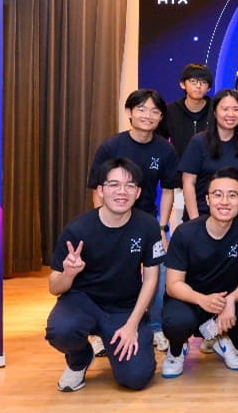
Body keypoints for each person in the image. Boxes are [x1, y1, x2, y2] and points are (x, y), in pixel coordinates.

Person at [45, 159, 165, 392]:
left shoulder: (148, 226)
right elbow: (54, 287)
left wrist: (132, 325)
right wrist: (69, 274)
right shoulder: (78, 229)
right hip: (83, 302)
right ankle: (80, 358)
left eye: (130, 185)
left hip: (124, 308)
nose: (122, 191)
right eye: (113, 185)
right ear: (100, 190)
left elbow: (151, 279)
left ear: (138, 192)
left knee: (136, 378)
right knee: (61, 330)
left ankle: (127, 340)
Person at [159, 168, 238, 376]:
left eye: (232, 195)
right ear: (207, 199)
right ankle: (177, 350)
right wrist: (202, 300)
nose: (225, 201)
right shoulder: (185, 233)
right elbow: (173, 284)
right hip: (190, 300)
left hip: (226, 302)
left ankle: (220, 337)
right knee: (176, 322)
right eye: (218, 194)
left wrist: (231, 300)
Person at [86, 88, 179, 231]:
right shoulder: (110, 147)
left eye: (155, 111)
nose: (148, 116)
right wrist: (103, 224)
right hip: (114, 219)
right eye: (141, 109)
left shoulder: (166, 149)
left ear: (161, 117)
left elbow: (167, 191)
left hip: (147, 219)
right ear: (129, 112)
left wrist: (162, 227)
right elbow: (97, 189)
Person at [179, 89, 238, 221]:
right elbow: (188, 183)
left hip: (237, 216)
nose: (231, 114)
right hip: (202, 215)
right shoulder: (199, 141)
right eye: (225, 109)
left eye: (236, 109)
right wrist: (195, 221)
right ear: (215, 112)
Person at [163, 63, 214, 159]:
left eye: (203, 82)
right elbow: (159, 140)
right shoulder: (171, 111)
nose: (198, 86)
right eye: (193, 81)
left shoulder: (216, 110)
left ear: (209, 88)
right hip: (178, 168)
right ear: (182, 84)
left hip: (210, 170)